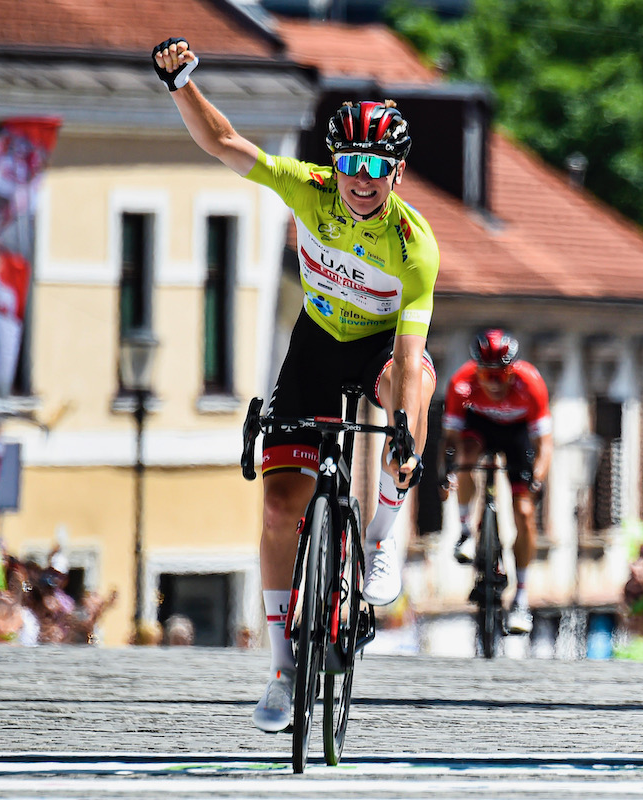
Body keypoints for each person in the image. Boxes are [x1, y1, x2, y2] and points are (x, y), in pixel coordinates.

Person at [152, 38, 439, 732]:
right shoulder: (308, 189)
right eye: (350, 164)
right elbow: (223, 144)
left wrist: (401, 430)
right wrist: (182, 84)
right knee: (281, 511)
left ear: (396, 173)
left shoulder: (415, 244)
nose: (361, 179)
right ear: (334, 163)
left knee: (421, 384)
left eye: (377, 167)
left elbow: (406, 356)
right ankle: (283, 669)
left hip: (378, 349)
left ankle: (382, 537)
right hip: (314, 345)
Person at [440, 329, 553, 635]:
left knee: (525, 513)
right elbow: (449, 439)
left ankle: (521, 598)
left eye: (499, 374)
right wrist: (446, 472)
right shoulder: (461, 384)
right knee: (464, 457)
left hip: (517, 435)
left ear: (511, 369)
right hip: (480, 428)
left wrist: (538, 480)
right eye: (485, 374)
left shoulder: (530, 383)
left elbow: (545, 444)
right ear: (476, 369)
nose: (492, 382)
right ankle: (465, 531)